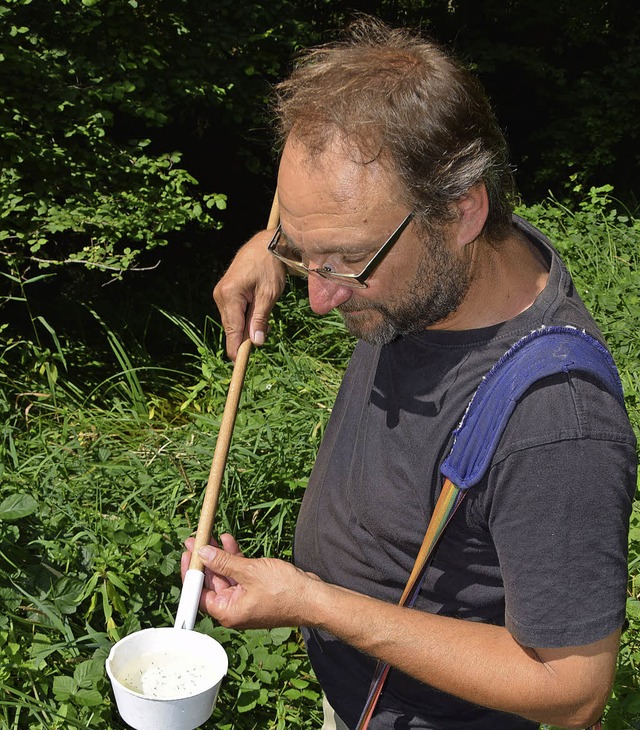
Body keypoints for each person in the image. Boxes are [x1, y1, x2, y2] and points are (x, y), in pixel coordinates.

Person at [182, 18, 636, 730]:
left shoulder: (555, 424)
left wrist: (311, 602)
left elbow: (572, 689)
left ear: (461, 211)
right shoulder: (439, 264)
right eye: (308, 254)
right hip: (355, 696)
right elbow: (324, 208)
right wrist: (276, 246)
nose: (320, 297)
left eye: (345, 259)